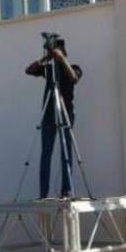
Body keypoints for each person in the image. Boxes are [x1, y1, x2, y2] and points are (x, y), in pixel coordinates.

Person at [26, 36, 83, 200]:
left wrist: (61, 59)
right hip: (49, 115)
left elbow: (74, 77)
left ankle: (66, 191)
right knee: (46, 153)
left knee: (66, 153)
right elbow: (29, 70)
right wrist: (47, 58)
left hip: (66, 114)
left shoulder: (73, 67)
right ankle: (43, 193)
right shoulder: (49, 70)